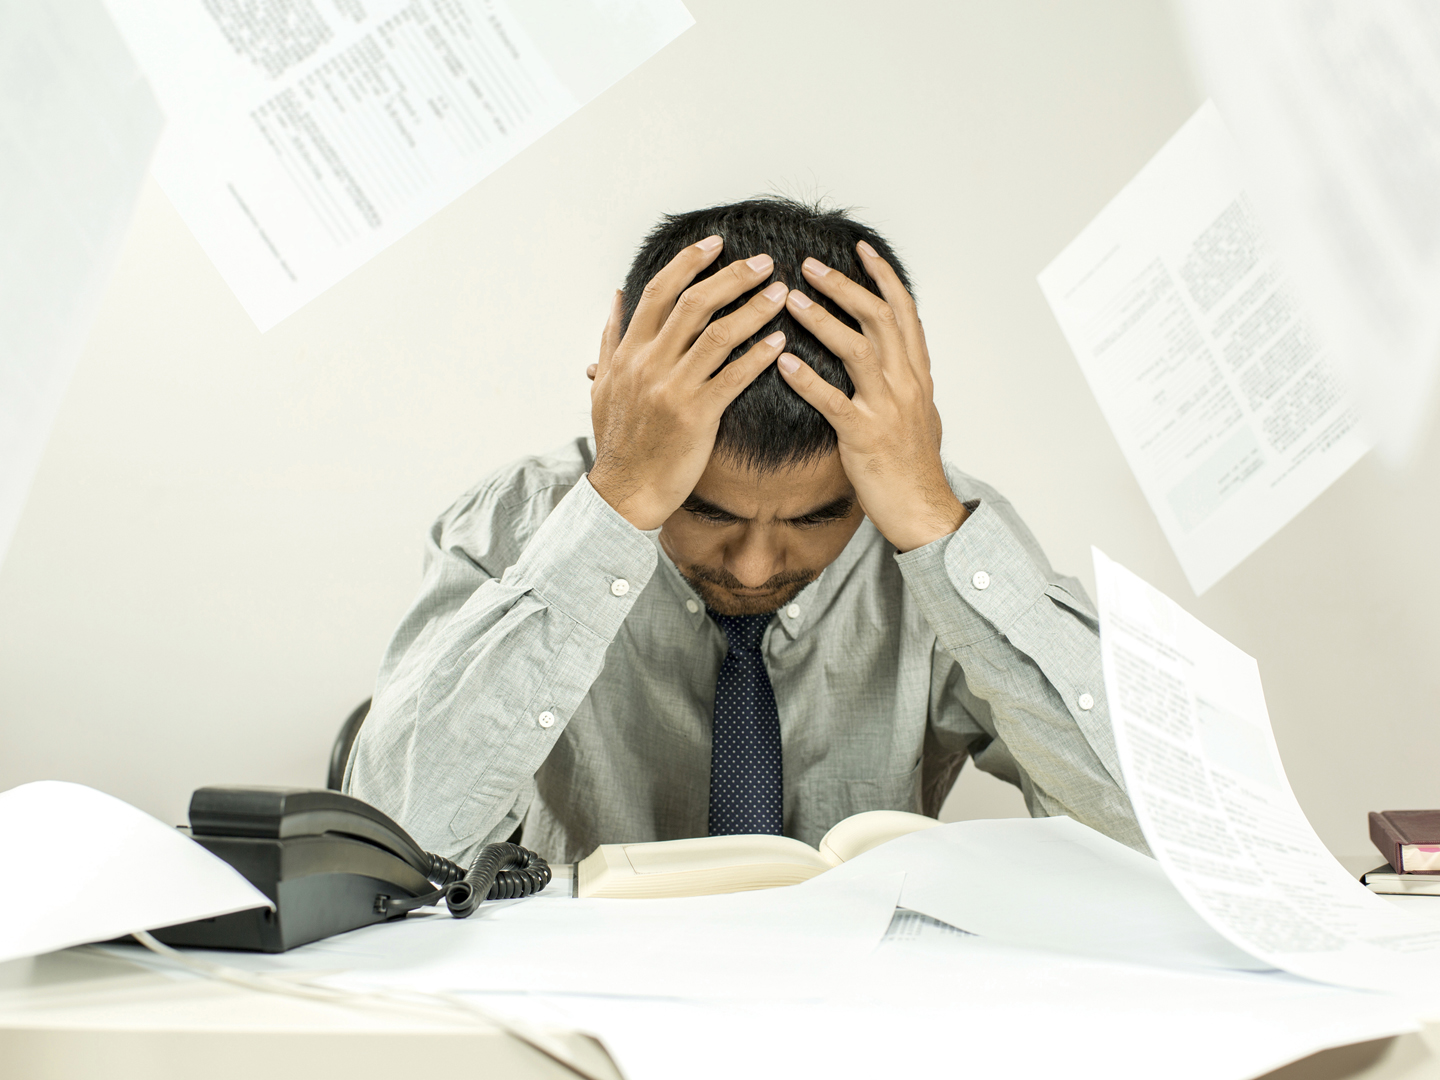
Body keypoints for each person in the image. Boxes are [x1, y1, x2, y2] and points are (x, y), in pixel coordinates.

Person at [346, 196, 1145, 864]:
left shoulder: (940, 533)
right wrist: (617, 504)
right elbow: (389, 849)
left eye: (819, 516)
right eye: (705, 510)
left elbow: (1158, 847)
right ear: (617, 408)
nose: (757, 567)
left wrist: (934, 525)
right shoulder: (513, 523)